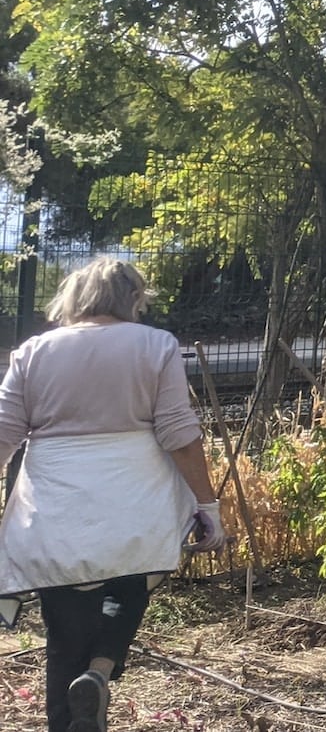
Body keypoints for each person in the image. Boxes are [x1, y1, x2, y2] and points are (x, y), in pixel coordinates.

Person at [0, 258, 225, 732]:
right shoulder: (155, 345)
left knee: (63, 629)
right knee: (132, 582)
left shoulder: (34, 351)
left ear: (73, 298)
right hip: (134, 498)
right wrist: (207, 504)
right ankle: (99, 672)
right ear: (133, 299)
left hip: (56, 500)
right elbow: (179, 435)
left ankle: (67, 718)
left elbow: (3, 434)